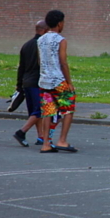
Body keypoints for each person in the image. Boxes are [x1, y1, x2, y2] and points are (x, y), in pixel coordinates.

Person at [37, 9, 77, 152]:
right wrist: (69, 82)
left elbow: (39, 61)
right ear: (60, 23)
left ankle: (46, 143)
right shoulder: (61, 40)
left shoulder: (40, 40)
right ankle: (62, 140)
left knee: (48, 112)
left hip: (44, 81)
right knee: (68, 109)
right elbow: (63, 62)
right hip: (59, 80)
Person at [12, 19, 47, 147]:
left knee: (34, 111)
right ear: (44, 31)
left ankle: (41, 137)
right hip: (38, 82)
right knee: (41, 110)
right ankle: (21, 132)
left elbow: (21, 67)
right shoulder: (42, 45)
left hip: (26, 82)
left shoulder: (26, 45)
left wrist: (19, 85)